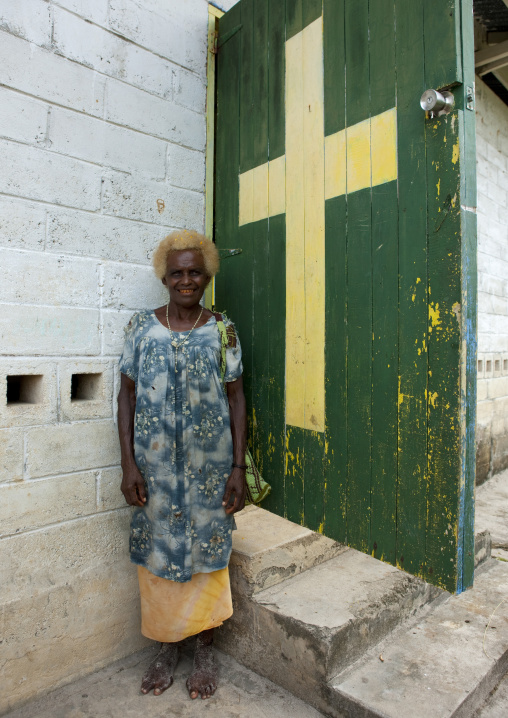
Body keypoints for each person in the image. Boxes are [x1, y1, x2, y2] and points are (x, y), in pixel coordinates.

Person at [117, 229, 247, 700]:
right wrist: (129, 464)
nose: (187, 280)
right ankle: (167, 647)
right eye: (178, 273)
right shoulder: (141, 327)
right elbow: (126, 395)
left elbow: (236, 397)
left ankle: (205, 646)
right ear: (164, 278)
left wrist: (237, 468)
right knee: (157, 556)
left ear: (207, 275)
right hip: (154, 471)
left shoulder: (222, 329)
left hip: (210, 471)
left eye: (195, 272)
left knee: (207, 555)